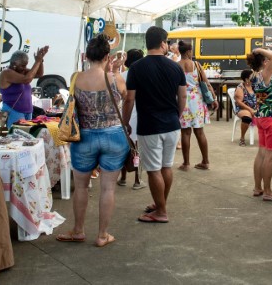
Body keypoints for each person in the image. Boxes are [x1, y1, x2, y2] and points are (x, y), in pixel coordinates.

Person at [56, 34, 128, 247]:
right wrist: (114, 70)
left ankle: (78, 230)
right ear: (108, 56)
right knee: (108, 188)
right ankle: (102, 234)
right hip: (114, 135)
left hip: (84, 136)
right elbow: (126, 97)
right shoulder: (116, 78)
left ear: (86, 55)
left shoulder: (76, 78)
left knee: (81, 187)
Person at [123, 26, 187, 223]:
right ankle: (161, 205)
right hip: (172, 124)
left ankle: (161, 211)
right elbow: (182, 95)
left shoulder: (136, 68)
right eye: (167, 42)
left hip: (149, 125)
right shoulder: (175, 66)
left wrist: (125, 122)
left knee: (153, 170)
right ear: (162, 43)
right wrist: (176, 114)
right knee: (166, 167)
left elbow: (129, 100)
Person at [247, 48, 272, 202]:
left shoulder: (254, 76)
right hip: (271, 118)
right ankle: (268, 191)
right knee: (270, 156)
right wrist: (260, 49)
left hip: (261, 117)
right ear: (264, 61)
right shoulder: (265, 74)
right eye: (267, 59)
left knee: (262, 154)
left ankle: (258, 187)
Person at [176, 40, 218, 171]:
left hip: (182, 102)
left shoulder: (175, 65)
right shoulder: (197, 65)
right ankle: (205, 161)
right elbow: (206, 83)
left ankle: (186, 164)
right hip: (197, 101)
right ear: (189, 51)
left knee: (185, 133)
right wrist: (213, 98)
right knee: (200, 132)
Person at [117, 48, 146, 190]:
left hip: (124, 114)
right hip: (138, 114)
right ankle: (137, 180)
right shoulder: (143, 75)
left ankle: (122, 178)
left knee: (125, 147)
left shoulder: (121, 75)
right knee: (137, 148)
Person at [0, 47, 48, 128]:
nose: (24, 68)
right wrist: (37, 61)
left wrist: (41, 60)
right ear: (14, 64)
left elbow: (39, 74)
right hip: (14, 111)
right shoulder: (6, 73)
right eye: (22, 66)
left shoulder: (21, 71)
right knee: (17, 138)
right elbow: (27, 79)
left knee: (26, 137)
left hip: (28, 111)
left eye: (25, 65)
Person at [234, 69, 257, 146]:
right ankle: (242, 138)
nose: (254, 78)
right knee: (246, 118)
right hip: (243, 108)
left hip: (255, 107)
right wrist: (250, 110)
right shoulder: (240, 88)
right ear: (247, 79)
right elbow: (239, 102)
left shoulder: (255, 86)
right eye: (252, 77)